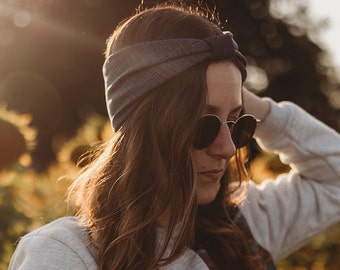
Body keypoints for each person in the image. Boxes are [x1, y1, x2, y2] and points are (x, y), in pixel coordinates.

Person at [9, 3, 340, 270]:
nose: (226, 149)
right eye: (203, 125)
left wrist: (235, 91)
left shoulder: (243, 227)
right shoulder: (67, 255)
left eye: (237, 124)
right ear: (144, 128)